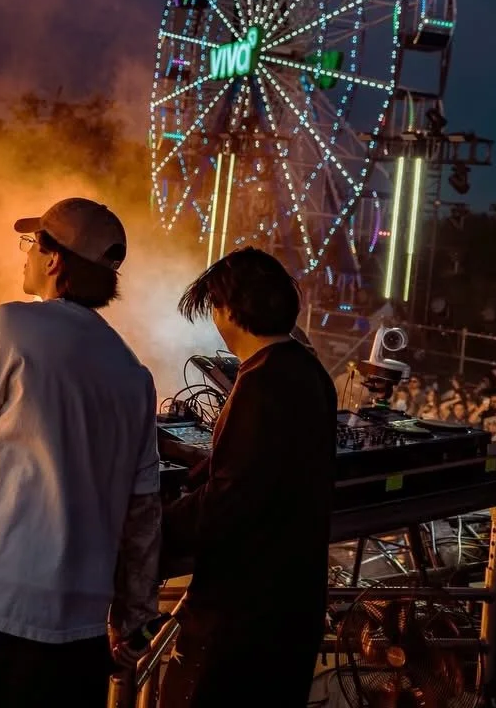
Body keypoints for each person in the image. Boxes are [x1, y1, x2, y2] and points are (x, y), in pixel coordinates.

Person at [0, 198, 162, 708]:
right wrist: (134, 616)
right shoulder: (134, 374)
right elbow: (143, 513)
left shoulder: (12, 326)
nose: (25, 255)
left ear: (54, 260)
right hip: (84, 627)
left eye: (33, 244)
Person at [160, 247, 337, 707]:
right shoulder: (310, 371)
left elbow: (229, 502)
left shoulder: (260, 383)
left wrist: (157, 523)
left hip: (242, 619)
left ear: (227, 309)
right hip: (293, 608)